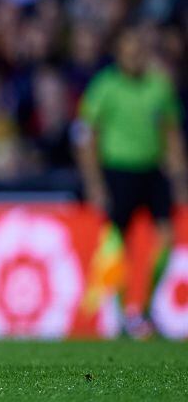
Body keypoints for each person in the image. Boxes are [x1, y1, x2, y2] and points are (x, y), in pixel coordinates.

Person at [76, 27, 188, 337]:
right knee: (117, 245)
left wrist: (178, 174)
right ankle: (123, 314)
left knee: (166, 237)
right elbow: (86, 136)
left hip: (153, 171)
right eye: (128, 51)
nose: (135, 57)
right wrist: (94, 181)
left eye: (139, 50)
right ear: (118, 54)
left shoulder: (160, 86)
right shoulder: (104, 87)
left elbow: (172, 131)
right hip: (118, 171)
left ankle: (147, 308)